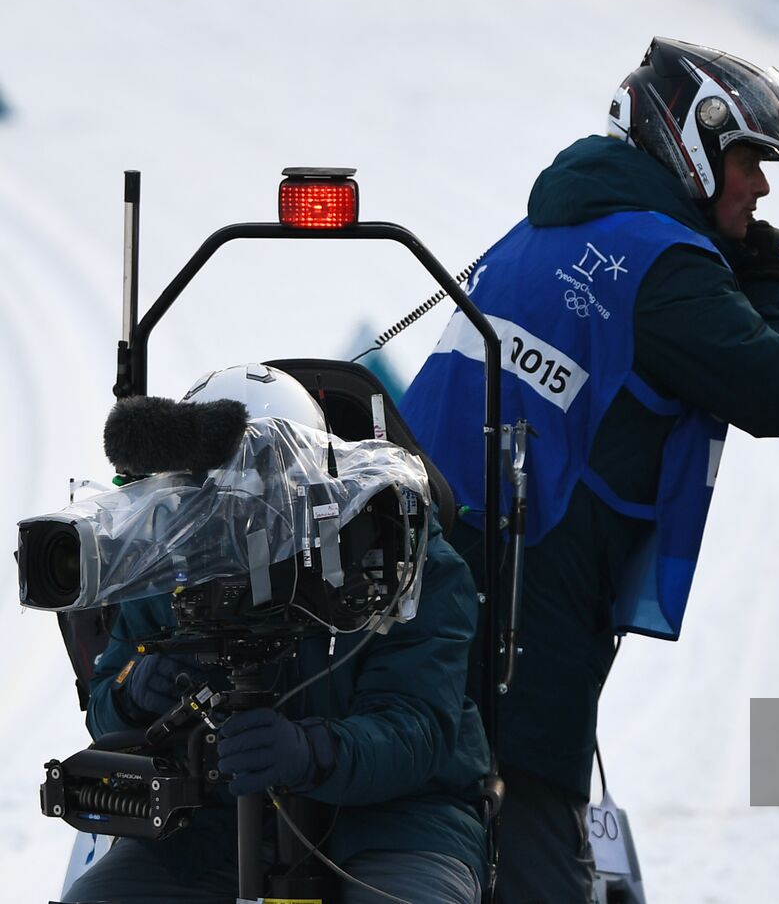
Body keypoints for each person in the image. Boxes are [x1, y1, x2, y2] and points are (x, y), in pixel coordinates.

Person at [398, 37, 779, 902]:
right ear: (692, 146)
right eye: (748, 158)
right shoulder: (661, 261)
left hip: (435, 566)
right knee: (533, 850)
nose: (762, 185)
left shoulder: (550, 222)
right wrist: (778, 279)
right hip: (532, 597)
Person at [63, 364, 490, 904]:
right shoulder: (173, 562)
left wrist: (314, 750)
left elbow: (418, 729)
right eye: (204, 502)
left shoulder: (401, 562)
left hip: (395, 822)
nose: (225, 526)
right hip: (209, 824)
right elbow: (104, 703)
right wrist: (134, 691)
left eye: (248, 498)